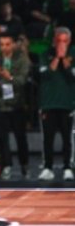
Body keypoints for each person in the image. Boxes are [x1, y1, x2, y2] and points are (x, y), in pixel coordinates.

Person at [0, 34, 31, 179]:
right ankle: (6, 166)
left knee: (20, 137)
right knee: (2, 138)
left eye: (7, 44)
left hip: (17, 105)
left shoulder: (22, 59)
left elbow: (23, 81)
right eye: (2, 44)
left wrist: (9, 77)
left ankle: (24, 165)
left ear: (14, 44)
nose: (4, 47)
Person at [37, 27, 75, 181]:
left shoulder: (74, 54)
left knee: (67, 138)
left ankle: (68, 167)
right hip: (48, 103)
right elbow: (45, 74)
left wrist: (65, 60)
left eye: (64, 41)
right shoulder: (45, 54)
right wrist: (57, 58)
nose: (61, 44)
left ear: (69, 41)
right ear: (54, 40)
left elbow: (72, 75)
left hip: (67, 104)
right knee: (48, 138)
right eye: (59, 40)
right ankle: (47, 168)